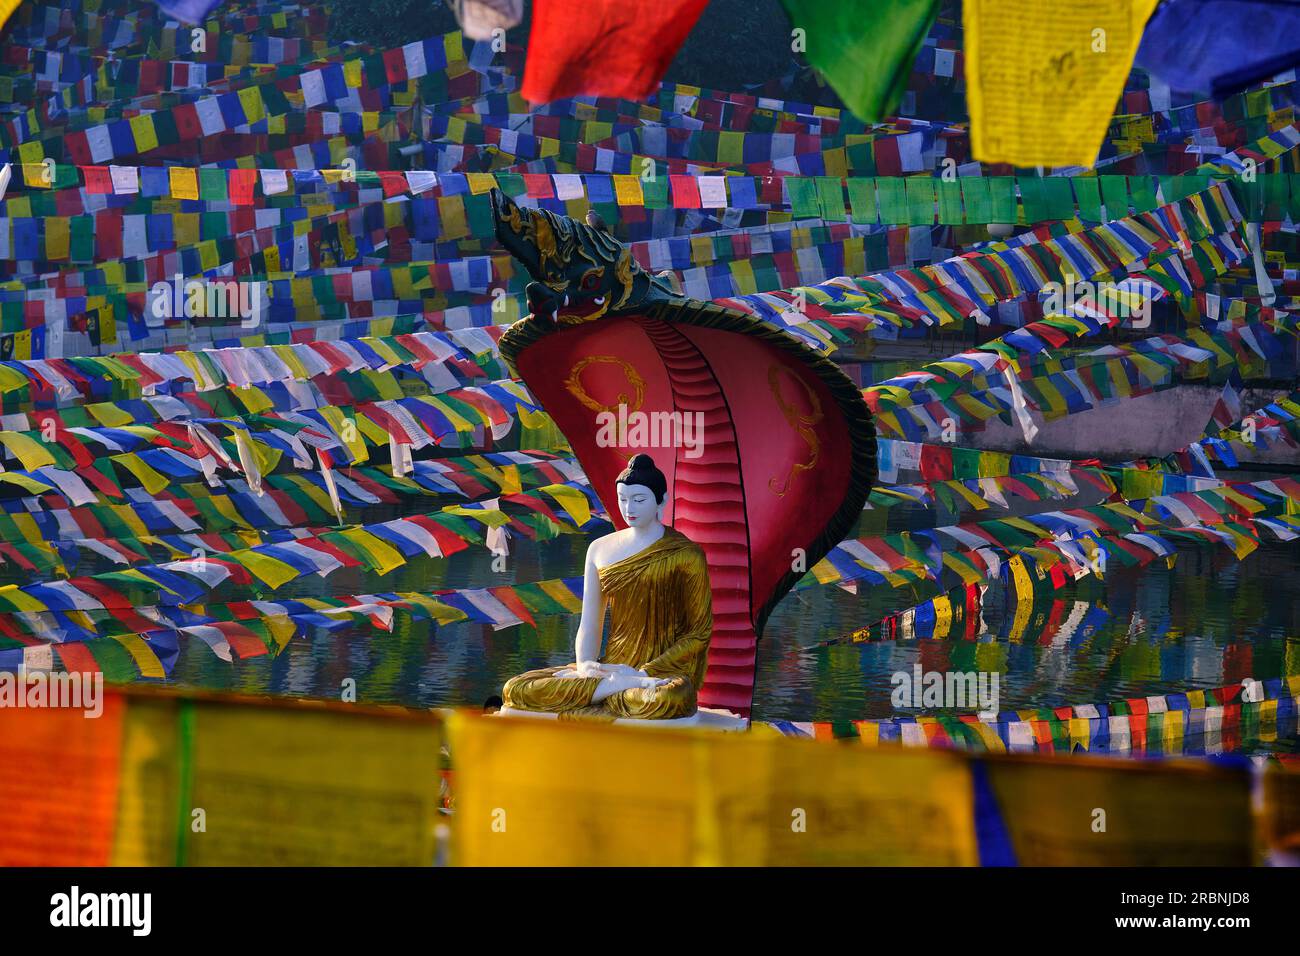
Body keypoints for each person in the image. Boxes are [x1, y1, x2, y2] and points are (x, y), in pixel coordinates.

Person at [501, 454, 713, 720]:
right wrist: (585, 665)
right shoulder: (599, 549)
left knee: (667, 699)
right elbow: (590, 624)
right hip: (611, 668)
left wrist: (643, 673)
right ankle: (612, 687)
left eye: (639, 500)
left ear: (662, 500)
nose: (628, 509)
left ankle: (619, 687)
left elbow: (698, 634)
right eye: (622, 499)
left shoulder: (686, 554)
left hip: (658, 674)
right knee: (518, 689)